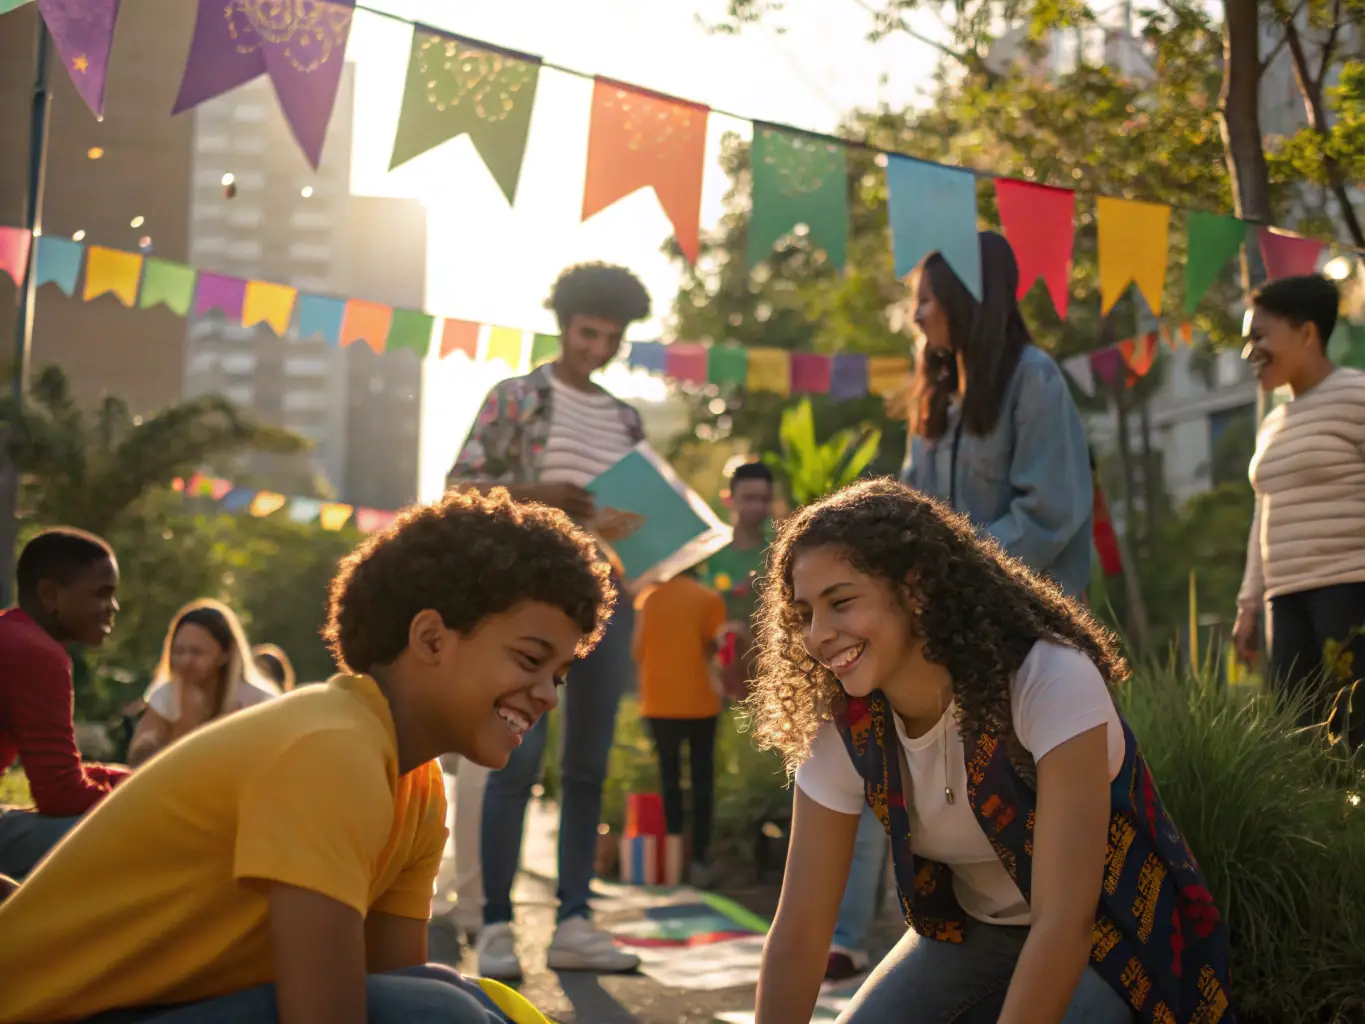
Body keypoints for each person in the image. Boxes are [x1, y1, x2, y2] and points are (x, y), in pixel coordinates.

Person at [0, 489, 613, 1024]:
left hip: (149, 1008)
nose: (547, 695)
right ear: (430, 639)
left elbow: (388, 983)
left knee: (443, 993)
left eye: (559, 675)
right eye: (531, 660)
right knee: (439, 1012)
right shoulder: (331, 748)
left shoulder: (418, 788)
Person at [748, 479, 1233, 1024]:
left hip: (1107, 938)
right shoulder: (844, 723)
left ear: (915, 588)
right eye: (805, 614)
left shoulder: (1048, 680)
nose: (818, 635)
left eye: (841, 602)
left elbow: (1064, 922)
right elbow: (801, 927)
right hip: (973, 934)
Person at [819, 229, 1097, 983]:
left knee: (1023, 797)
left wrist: (948, 576)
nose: (915, 317)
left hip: (1020, 634)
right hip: (935, 629)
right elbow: (912, 517)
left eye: (927, 301)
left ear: (969, 300)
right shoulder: (935, 396)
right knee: (885, 765)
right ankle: (866, 934)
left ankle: (1054, 949)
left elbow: (1048, 514)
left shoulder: (1033, 380)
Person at [448, 261, 651, 980]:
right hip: (528, 601)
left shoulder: (626, 419)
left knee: (587, 767)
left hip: (610, 598)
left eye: (611, 338)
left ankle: (574, 921)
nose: (598, 348)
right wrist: (537, 494)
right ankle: (495, 925)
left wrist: (639, 528)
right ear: (563, 326)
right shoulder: (515, 398)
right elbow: (459, 489)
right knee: (516, 757)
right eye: (587, 333)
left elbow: (636, 512)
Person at [1234, 274, 1365, 749]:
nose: (1249, 352)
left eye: (1259, 336)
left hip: (1349, 592)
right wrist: (1249, 603)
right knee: (1299, 738)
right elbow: (1264, 511)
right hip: (1284, 601)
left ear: (1307, 333)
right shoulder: (1272, 422)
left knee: (1357, 733)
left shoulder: (1357, 394)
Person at [0, 528, 124, 881]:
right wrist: (145, 796)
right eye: (102, 593)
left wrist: (126, 779)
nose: (113, 607)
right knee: (128, 830)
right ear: (50, 594)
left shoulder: (13, 634)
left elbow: (61, 778)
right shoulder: (34, 651)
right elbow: (60, 795)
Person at [632, 566, 727, 886]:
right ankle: (699, 859)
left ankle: (672, 858)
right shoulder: (709, 599)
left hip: (658, 702)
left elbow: (637, 651)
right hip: (700, 702)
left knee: (668, 780)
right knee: (702, 781)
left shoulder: (648, 599)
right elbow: (715, 647)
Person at [126, 599, 281, 767]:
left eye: (197, 652)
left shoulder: (259, 702)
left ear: (225, 654)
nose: (186, 661)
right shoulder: (165, 695)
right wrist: (182, 729)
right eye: (179, 651)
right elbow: (138, 758)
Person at [697, 461, 775, 699]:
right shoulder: (708, 555)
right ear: (729, 499)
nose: (757, 507)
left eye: (764, 499)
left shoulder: (778, 554)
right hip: (711, 674)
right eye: (749, 498)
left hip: (767, 671)